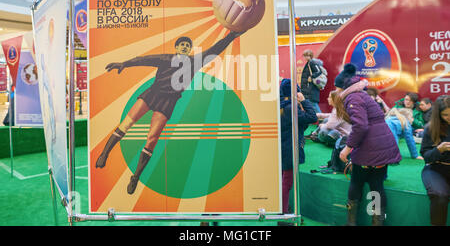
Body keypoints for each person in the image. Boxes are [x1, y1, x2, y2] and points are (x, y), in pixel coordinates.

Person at [95, 30, 245, 194]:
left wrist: (231, 35)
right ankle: (104, 154)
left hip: (168, 101)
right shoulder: (166, 58)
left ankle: (136, 177)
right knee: (127, 123)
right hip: (152, 93)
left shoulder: (195, 62)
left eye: (188, 45)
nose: (185, 47)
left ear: (189, 50)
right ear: (176, 47)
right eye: (182, 44)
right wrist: (125, 63)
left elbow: (215, 50)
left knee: (152, 139)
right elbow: (144, 60)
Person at [334, 63, 401, 226]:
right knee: (377, 186)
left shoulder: (352, 98)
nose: (336, 91)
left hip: (369, 149)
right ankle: (377, 223)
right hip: (382, 146)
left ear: (343, 87)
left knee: (356, 182)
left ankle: (351, 223)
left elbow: (361, 125)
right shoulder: (362, 95)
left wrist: (347, 148)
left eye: (337, 87)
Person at [279, 79, 317, 222]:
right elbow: (312, 117)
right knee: (287, 183)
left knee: (283, 180)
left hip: (281, 148)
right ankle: (283, 215)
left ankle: (283, 210)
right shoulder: (291, 108)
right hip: (290, 149)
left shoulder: (280, 106)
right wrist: (304, 101)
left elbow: (302, 124)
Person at [420, 95, 450, 226]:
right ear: (438, 115)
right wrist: (439, 150)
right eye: (446, 115)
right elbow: (426, 156)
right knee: (440, 195)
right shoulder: (431, 128)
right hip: (435, 168)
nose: (449, 117)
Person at [300, 49, 323, 113]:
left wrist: (311, 77)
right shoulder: (309, 63)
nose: (305, 57)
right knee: (312, 105)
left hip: (311, 89)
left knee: (313, 105)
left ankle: (322, 119)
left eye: (306, 56)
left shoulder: (312, 63)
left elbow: (319, 71)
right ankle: (319, 120)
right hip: (309, 89)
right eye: (304, 56)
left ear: (310, 56)